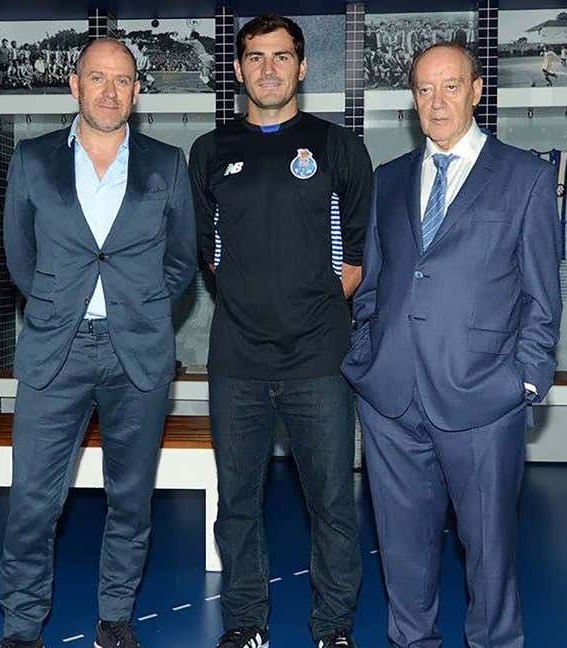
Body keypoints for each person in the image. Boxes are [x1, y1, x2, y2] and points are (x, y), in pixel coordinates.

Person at [342, 43, 561, 648]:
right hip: (390, 400)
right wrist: (365, 357)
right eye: (423, 90)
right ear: (412, 99)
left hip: (484, 399)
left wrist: (525, 380)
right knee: (403, 551)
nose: (436, 102)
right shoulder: (389, 180)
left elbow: (543, 296)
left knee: (489, 552)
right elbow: (376, 284)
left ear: (476, 89)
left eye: (449, 87)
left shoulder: (526, 178)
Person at [0, 37, 196, 648]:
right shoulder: (32, 160)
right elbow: (19, 259)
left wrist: (136, 305)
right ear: (74, 85)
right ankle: (23, 628)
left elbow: (182, 262)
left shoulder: (167, 164)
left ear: (137, 92)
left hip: (136, 353)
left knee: (130, 500)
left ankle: (115, 619)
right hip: (56, 352)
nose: (110, 90)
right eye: (97, 77)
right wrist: (61, 304)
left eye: (123, 80)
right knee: (33, 501)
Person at [188, 14, 372, 648]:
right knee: (238, 505)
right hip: (236, 361)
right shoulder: (210, 151)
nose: (269, 69)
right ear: (238, 70)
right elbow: (210, 255)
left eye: (282, 56)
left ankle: (333, 630)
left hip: (319, 361)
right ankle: (245, 624)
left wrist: (303, 311)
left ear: (302, 66)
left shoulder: (338, 147)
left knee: (333, 508)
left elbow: (353, 262)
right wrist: (254, 305)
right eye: (256, 57)